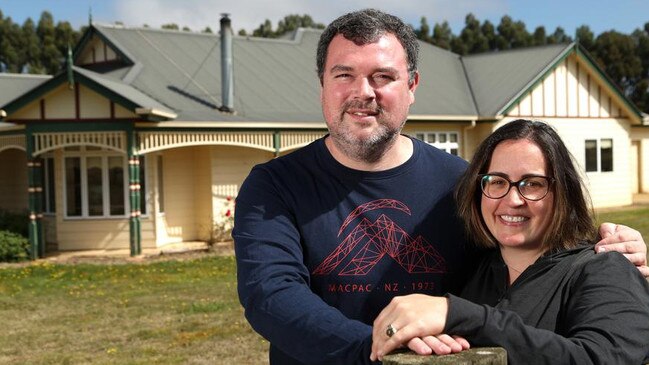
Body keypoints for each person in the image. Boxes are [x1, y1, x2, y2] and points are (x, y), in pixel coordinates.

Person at [233, 9, 648, 365]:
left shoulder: (462, 183)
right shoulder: (274, 185)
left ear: (412, 86)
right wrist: (378, 349)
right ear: (322, 83)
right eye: (345, 74)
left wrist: (607, 246)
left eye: (383, 76)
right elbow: (272, 296)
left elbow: (526, 241)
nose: (364, 92)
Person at [370, 120, 649, 364]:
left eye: (533, 184)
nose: (512, 200)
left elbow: (600, 358)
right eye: (497, 182)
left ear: (563, 191)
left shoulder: (603, 268)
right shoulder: (473, 271)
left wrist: (461, 315)